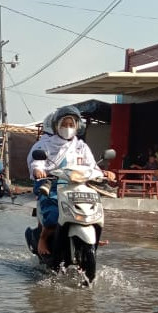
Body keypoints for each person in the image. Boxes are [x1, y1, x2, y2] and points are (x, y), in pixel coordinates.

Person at [27, 106, 115, 257]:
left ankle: (90, 234)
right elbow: (37, 163)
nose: (67, 128)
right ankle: (43, 238)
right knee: (53, 214)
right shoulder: (45, 145)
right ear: (57, 125)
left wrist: (103, 173)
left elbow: (92, 166)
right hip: (53, 185)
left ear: (77, 126)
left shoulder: (81, 146)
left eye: (71, 125)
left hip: (78, 187)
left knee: (93, 209)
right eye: (64, 124)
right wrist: (38, 170)